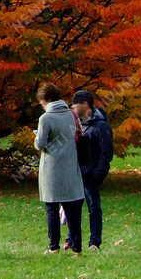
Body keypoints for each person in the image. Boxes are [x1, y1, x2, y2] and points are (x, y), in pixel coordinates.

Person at [33, 83, 85, 254]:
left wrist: (36, 138)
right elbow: (77, 134)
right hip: (70, 165)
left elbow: (40, 144)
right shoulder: (71, 114)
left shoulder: (45, 118)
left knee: (52, 208)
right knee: (72, 209)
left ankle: (53, 246)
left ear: (46, 100)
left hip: (52, 168)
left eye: (41, 102)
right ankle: (77, 247)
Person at [72, 90, 113, 250]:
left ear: (84, 104)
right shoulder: (79, 123)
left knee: (93, 207)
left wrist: (98, 173)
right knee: (73, 208)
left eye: (75, 104)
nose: (73, 108)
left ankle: (95, 241)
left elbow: (106, 152)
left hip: (92, 173)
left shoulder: (101, 126)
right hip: (77, 171)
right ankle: (72, 239)